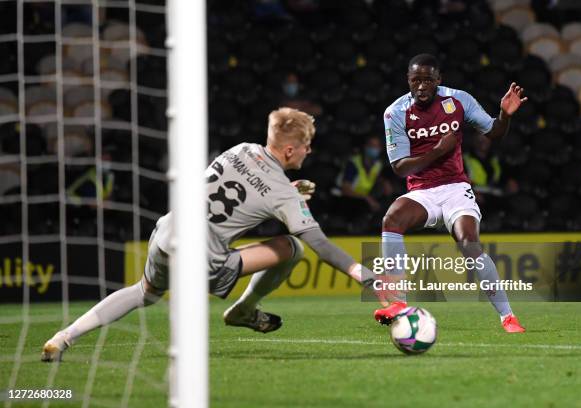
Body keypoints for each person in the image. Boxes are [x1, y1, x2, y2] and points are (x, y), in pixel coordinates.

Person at [41, 107, 392, 362]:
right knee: (294, 248)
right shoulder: (282, 193)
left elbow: (246, 187)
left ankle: (63, 337)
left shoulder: (240, 149)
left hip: (167, 232)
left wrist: (288, 189)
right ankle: (245, 310)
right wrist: (367, 277)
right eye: (306, 145)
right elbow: (321, 244)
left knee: (145, 293)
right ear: (290, 151)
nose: (309, 150)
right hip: (201, 257)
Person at [374, 54, 527, 333]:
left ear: (438, 80)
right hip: (421, 191)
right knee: (392, 219)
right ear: (408, 80)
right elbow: (399, 167)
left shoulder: (458, 100)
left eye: (427, 80)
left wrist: (505, 115)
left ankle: (508, 316)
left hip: (456, 188)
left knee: (469, 243)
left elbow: (494, 132)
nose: (421, 86)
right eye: (415, 80)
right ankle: (397, 303)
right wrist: (438, 151)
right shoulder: (395, 112)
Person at [336, 135, 392, 216]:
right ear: (365, 146)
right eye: (371, 145)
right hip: (344, 200)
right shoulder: (353, 163)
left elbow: (375, 177)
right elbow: (345, 190)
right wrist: (366, 198)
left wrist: (384, 183)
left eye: (376, 146)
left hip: (361, 200)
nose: (374, 149)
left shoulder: (378, 165)